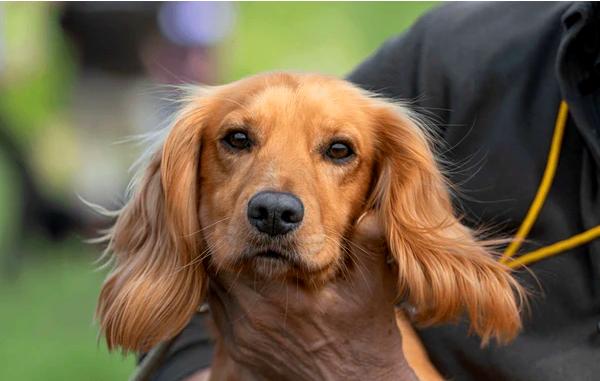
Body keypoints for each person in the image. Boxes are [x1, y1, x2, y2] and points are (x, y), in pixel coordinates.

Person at [141, 2, 600, 380]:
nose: (276, 200)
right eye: (238, 140)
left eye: (338, 151)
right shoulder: (457, 51)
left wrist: (358, 368)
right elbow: (164, 312)